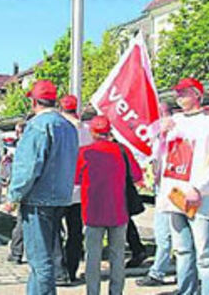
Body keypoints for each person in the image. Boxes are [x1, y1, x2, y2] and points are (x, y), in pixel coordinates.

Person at [154, 78, 209, 295]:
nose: (179, 95)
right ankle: (186, 291)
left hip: (200, 199)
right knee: (183, 251)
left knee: (205, 256)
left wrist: (198, 187)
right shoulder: (172, 122)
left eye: (184, 92)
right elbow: (157, 155)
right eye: (177, 92)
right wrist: (160, 135)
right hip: (174, 197)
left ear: (197, 94)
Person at [6, 80, 79, 295]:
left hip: (38, 199)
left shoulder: (38, 125)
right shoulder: (68, 126)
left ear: (33, 102)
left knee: (41, 262)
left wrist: (13, 196)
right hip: (61, 197)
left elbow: (28, 166)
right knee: (42, 262)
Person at [76, 115, 143, 295]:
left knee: (93, 258)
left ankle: (93, 292)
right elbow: (137, 176)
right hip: (119, 211)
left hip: (92, 212)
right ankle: (116, 292)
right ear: (109, 131)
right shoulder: (122, 150)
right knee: (117, 256)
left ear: (92, 132)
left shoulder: (85, 152)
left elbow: (75, 178)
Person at [137, 102, 175, 287]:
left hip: (175, 188)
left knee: (168, 232)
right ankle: (163, 271)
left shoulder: (175, 134)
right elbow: (154, 160)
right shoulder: (159, 137)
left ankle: (159, 272)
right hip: (163, 188)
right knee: (165, 232)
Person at [57, 94, 93, 282]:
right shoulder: (87, 130)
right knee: (75, 233)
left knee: (55, 231)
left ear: (61, 109)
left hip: (59, 188)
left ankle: (58, 270)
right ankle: (71, 270)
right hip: (80, 189)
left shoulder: (58, 129)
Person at [7, 120, 27, 265]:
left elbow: (21, 171)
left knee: (21, 222)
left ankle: (16, 253)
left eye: (17, 131)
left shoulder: (23, 145)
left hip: (26, 189)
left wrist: (13, 196)